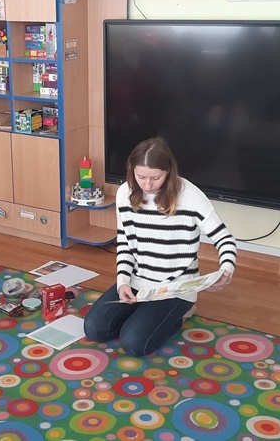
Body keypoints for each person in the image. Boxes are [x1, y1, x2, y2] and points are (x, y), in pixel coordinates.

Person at [83, 137, 238, 357]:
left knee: (133, 343)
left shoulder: (191, 196)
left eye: (155, 178)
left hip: (176, 287)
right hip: (138, 281)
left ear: (169, 172)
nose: (147, 185)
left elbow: (224, 238)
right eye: (141, 177)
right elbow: (125, 242)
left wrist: (226, 269)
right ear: (132, 170)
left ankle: (179, 315)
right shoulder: (125, 193)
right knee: (94, 329)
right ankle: (143, 315)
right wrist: (123, 282)